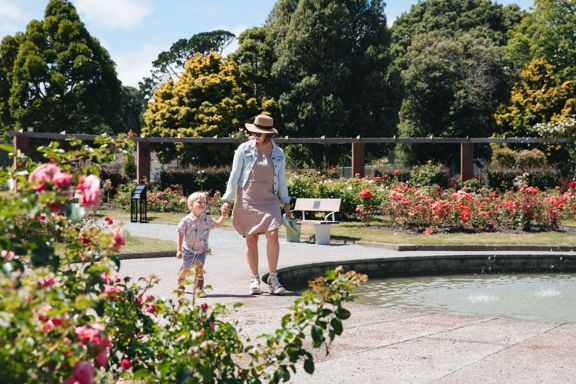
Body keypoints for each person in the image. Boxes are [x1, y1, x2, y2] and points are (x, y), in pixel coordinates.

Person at [222, 114, 291, 295]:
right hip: (247, 198)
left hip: (269, 199)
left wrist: (286, 202)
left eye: (258, 133)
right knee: (251, 238)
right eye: (253, 132)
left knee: (273, 235)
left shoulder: (278, 153)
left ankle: (273, 279)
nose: (254, 135)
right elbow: (234, 174)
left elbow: (282, 180)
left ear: (268, 134)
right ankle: (254, 279)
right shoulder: (243, 149)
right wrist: (227, 200)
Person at [176, 191, 227, 296]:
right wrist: (179, 250)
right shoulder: (186, 221)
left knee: (200, 269)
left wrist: (224, 216)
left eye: (204, 202)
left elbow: (217, 224)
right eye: (199, 202)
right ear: (191, 205)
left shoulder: (207, 219)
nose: (202, 204)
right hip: (188, 250)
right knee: (186, 269)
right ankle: (180, 284)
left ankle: (199, 288)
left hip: (201, 250)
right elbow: (180, 235)